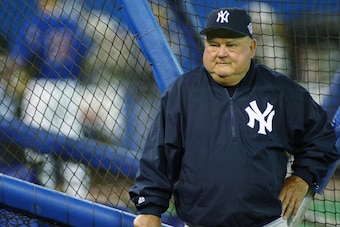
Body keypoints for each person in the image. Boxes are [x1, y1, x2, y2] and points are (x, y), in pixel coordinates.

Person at [129, 7, 340, 227]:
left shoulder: (279, 91)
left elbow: (321, 136)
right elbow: (158, 155)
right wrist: (149, 210)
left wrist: (303, 177)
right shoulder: (183, 92)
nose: (221, 52)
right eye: (214, 44)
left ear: (251, 47)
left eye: (231, 45)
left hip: (267, 222)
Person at [1, 0, 91, 199]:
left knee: (38, 146)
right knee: (73, 143)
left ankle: (43, 194)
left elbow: (20, 60)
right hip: (70, 88)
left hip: (43, 88)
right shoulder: (71, 24)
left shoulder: (37, 23)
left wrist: (4, 70)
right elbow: (84, 53)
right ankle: (80, 195)